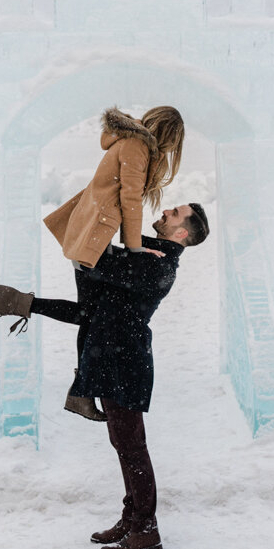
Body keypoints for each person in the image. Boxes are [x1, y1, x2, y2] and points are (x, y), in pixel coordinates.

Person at [0, 203, 210, 549]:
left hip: (126, 364)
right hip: (112, 361)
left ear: (182, 233)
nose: (166, 210)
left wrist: (103, 219)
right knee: (123, 444)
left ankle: (146, 531)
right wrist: (25, 303)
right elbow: (88, 311)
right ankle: (132, 518)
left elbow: (98, 263)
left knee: (133, 448)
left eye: (175, 213)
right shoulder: (144, 256)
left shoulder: (158, 265)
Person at [36, 106, 185, 421]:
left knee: (88, 314)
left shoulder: (130, 142)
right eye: (172, 144)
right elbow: (129, 200)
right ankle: (81, 394)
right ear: (166, 135)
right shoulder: (137, 146)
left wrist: (134, 247)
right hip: (92, 237)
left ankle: (81, 393)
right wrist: (134, 249)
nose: (170, 151)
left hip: (89, 233)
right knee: (89, 316)